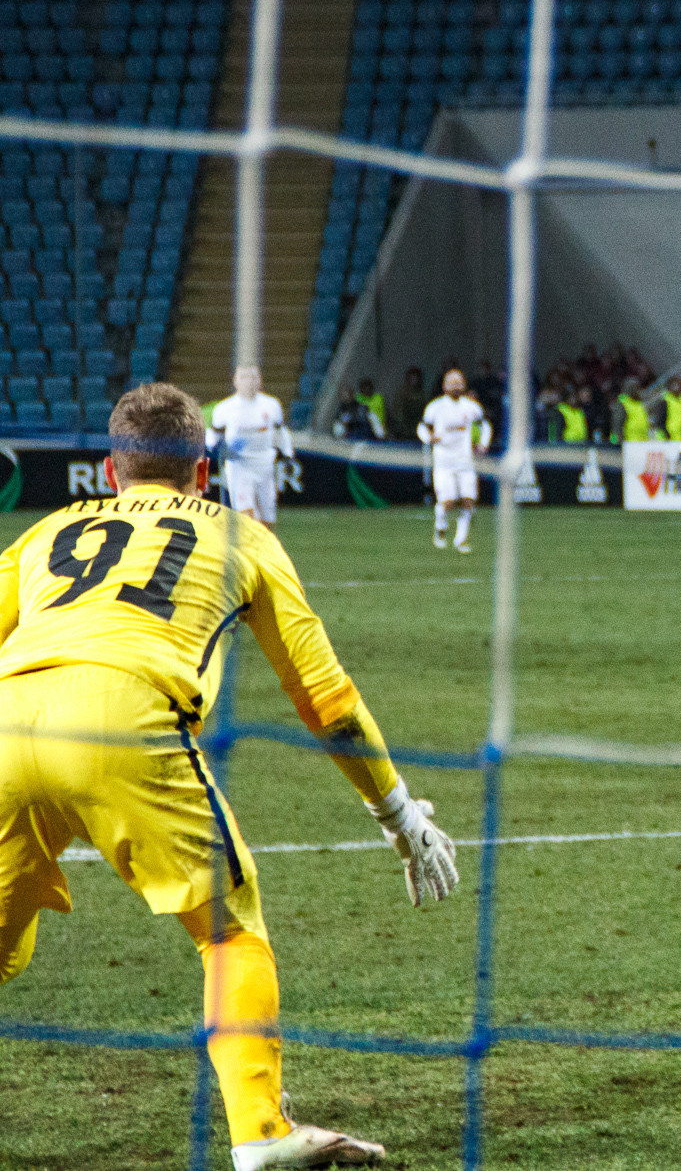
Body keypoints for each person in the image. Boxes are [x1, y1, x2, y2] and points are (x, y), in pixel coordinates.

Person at [0, 383, 458, 1170]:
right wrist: (399, 814)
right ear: (202, 473)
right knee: (229, 928)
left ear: (111, 472)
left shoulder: (46, 531)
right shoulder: (241, 536)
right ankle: (258, 1132)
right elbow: (327, 698)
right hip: (127, 716)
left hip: (8, 718)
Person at [206, 366, 296, 526]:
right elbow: (213, 435)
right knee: (246, 516)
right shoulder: (225, 408)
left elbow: (281, 432)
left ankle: (262, 548)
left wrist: (288, 455)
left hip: (265, 465)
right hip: (239, 466)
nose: (249, 382)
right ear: (235, 381)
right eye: (244, 377)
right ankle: (248, 548)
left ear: (260, 381)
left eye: (254, 377)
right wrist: (217, 446)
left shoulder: (271, 405)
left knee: (267, 520)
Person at [419, 368, 491, 554]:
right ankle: (440, 527)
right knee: (448, 503)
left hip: (465, 461)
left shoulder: (471, 407)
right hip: (443, 462)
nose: (456, 386)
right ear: (444, 386)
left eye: (459, 382)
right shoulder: (435, 407)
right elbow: (422, 427)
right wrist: (429, 438)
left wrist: (483, 444)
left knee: (468, 501)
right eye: (452, 383)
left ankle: (460, 540)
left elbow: (485, 426)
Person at [388, 366, 426, 440]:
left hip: (417, 429)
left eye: (416, 378)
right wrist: (401, 428)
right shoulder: (401, 393)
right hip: (403, 430)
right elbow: (397, 412)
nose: (414, 380)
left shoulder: (422, 394)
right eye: (412, 378)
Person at [614, 378, 654, 444]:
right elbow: (618, 421)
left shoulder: (639, 402)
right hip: (630, 440)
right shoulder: (623, 401)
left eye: (637, 387)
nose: (636, 390)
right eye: (633, 387)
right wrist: (617, 439)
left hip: (643, 439)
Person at [662, 373, 681, 442]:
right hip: (671, 437)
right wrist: (667, 434)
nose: (676, 387)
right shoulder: (665, 401)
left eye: (678, 384)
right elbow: (661, 420)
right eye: (674, 385)